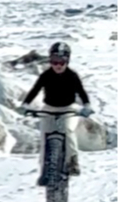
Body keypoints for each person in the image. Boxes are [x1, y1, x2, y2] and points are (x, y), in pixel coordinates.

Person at [20, 42, 93, 182]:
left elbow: (81, 91)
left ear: (67, 61)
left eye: (61, 61)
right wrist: (26, 104)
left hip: (68, 109)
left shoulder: (72, 75)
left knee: (68, 131)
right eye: (54, 61)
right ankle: (44, 171)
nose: (58, 65)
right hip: (49, 109)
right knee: (44, 138)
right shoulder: (46, 75)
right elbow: (35, 90)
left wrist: (87, 105)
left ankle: (72, 162)